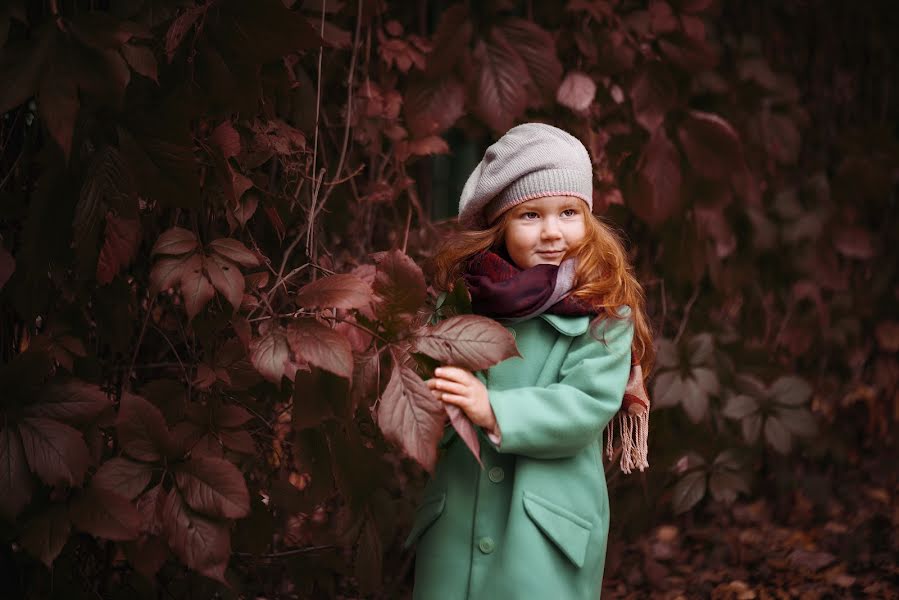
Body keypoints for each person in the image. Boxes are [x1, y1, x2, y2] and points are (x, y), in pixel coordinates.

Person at [403, 122, 655, 599]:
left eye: (568, 212)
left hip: (543, 527)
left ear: (589, 220)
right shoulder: (460, 300)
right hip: (458, 515)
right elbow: (421, 383)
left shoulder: (604, 313)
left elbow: (585, 406)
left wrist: (493, 409)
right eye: (530, 216)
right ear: (500, 225)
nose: (552, 232)